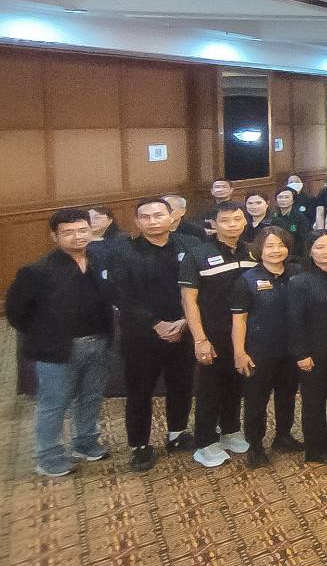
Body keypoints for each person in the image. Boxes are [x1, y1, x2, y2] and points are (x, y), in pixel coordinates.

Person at [7, 209, 116, 477]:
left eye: (82, 230)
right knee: (54, 403)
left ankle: (85, 442)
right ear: (54, 236)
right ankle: (48, 456)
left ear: (91, 231)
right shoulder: (37, 271)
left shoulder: (100, 260)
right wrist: (45, 335)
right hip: (59, 348)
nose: (77, 237)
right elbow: (16, 313)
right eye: (68, 232)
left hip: (99, 342)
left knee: (91, 397)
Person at [115, 197, 200, 471]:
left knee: (181, 385)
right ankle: (139, 446)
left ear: (171, 217)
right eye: (145, 217)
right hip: (141, 336)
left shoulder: (190, 245)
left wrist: (184, 322)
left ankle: (177, 433)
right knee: (139, 391)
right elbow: (121, 296)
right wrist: (157, 324)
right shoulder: (123, 253)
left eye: (158, 215)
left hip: (184, 330)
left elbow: (201, 287)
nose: (152, 221)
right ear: (137, 221)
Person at [180, 201, 258, 468]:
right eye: (225, 220)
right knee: (210, 388)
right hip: (211, 332)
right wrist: (200, 339)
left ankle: (230, 430)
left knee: (236, 383)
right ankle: (205, 442)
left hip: (244, 332)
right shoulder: (197, 254)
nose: (232, 225)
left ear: (245, 221)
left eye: (237, 219)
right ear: (214, 224)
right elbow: (189, 300)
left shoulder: (252, 252)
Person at [231, 226, 300, 467]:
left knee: (287, 396)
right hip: (259, 351)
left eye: (281, 245)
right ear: (259, 249)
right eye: (270, 246)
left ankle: (283, 436)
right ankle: (256, 446)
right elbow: (239, 320)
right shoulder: (246, 280)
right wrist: (239, 352)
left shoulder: (297, 273)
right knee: (256, 401)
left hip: (291, 350)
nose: (276, 250)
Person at [288, 230, 327, 464]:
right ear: (310, 251)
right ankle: (316, 448)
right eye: (320, 247)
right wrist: (301, 353)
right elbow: (295, 321)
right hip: (314, 348)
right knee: (314, 400)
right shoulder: (300, 281)